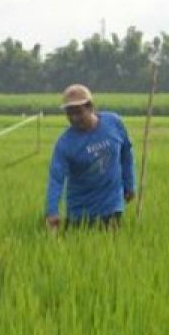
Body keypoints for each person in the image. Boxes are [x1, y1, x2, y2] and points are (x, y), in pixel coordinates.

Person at [45, 84, 134, 231]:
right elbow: (56, 178)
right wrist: (52, 211)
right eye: (69, 114)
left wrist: (129, 183)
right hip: (80, 213)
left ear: (91, 107)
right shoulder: (65, 144)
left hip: (111, 207)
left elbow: (126, 153)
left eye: (79, 113)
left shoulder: (114, 123)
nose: (74, 118)